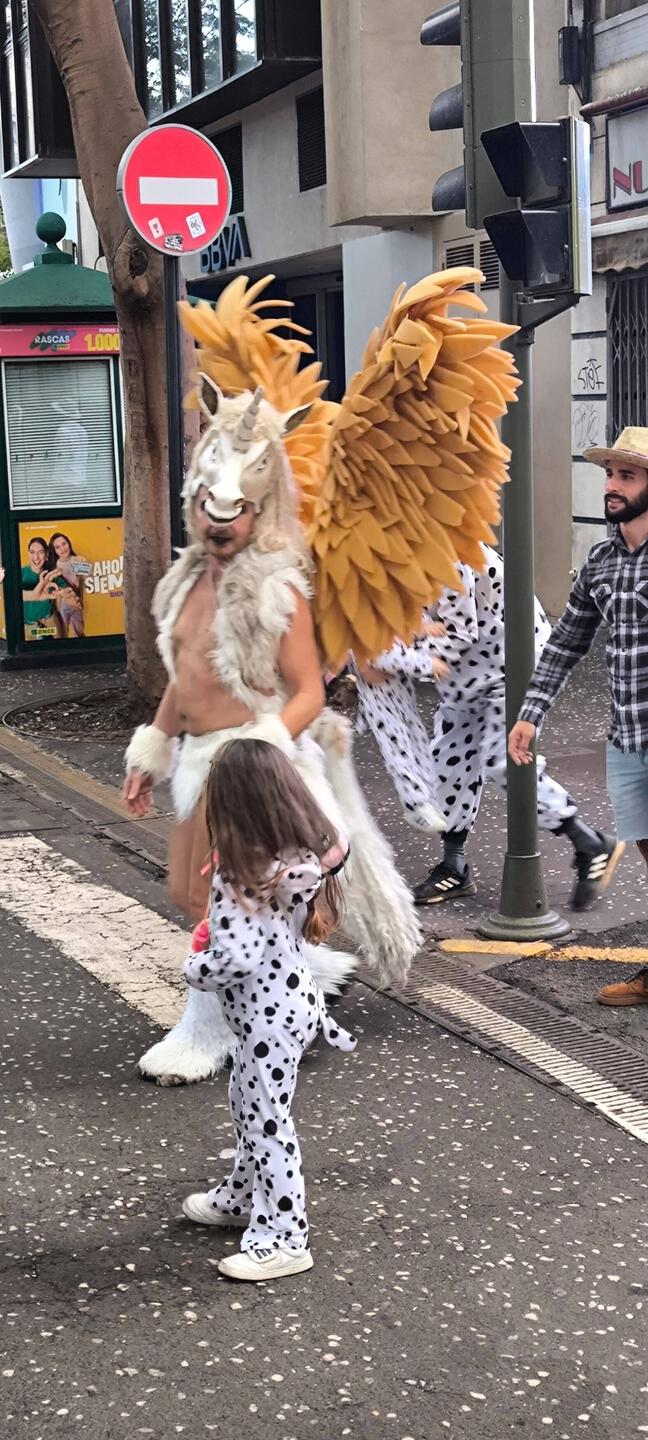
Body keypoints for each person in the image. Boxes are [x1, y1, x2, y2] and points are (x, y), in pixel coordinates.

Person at [122, 380, 420, 1085]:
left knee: (219, 903)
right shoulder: (184, 583)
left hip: (250, 773)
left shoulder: (276, 589)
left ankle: (210, 1031)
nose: (220, 523)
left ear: (262, 511)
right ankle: (303, 979)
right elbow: (185, 677)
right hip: (197, 763)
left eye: (237, 512)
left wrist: (258, 751)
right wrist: (151, 751)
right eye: (209, 508)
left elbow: (309, 691)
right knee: (189, 893)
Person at [356, 544, 621, 911]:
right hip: (468, 672)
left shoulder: (447, 553)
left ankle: (588, 842)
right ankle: (454, 866)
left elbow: (458, 634)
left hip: (512, 659)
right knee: (448, 761)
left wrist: (395, 653)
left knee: (505, 761)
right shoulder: (398, 553)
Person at [182, 739, 355, 1282]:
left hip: (266, 1018)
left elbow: (236, 958)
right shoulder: (294, 858)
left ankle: (285, 1237)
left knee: (267, 1124)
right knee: (248, 1105)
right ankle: (242, 1195)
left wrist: (195, 966)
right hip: (289, 1005)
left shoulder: (239, 874)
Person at [509, 428, 648, 1003]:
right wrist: (531, 713)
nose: (612, 486)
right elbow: (566, 642)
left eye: (627, 476)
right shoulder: (601, 561)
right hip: (626, 738)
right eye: (610, 474)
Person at [21, 536, 63, 638]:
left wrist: (68, 595)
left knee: (60, 642)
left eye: (40, 552)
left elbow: (65, 589)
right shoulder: (20, 573)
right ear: (28, 553)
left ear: (46, 554)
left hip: (48, 620)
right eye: (32, 552)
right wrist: (34, 594)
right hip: (27, 626)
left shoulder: (51, 574)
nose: (36, 557)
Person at [46, 532, 86, 639]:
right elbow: (50, 589)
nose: (62, 549)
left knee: (79, 634)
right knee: (61, 635)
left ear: (69, 543)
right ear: (54, 550)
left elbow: (88, 579)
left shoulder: (77, 560)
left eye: (64, 544)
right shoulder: (54, 566)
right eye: (57, 547)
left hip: (76, 602)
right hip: (61, 604)